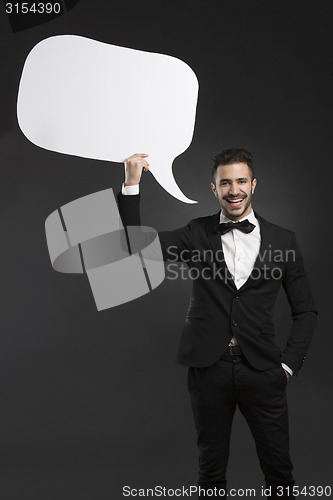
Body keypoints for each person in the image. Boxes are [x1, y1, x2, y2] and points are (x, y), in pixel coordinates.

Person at [117, 149, 317, 499]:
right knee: (211, 470)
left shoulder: (283, 240)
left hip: (263, 370)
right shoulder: (196, 233)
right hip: (209, 368)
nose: (234, 189)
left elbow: (306, 312)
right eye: (225, 183)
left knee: (279, 472)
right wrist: (132, 184)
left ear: (253, 185)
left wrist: (287, 366)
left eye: (241, 181)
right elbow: (134, 246)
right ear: (214, 189)